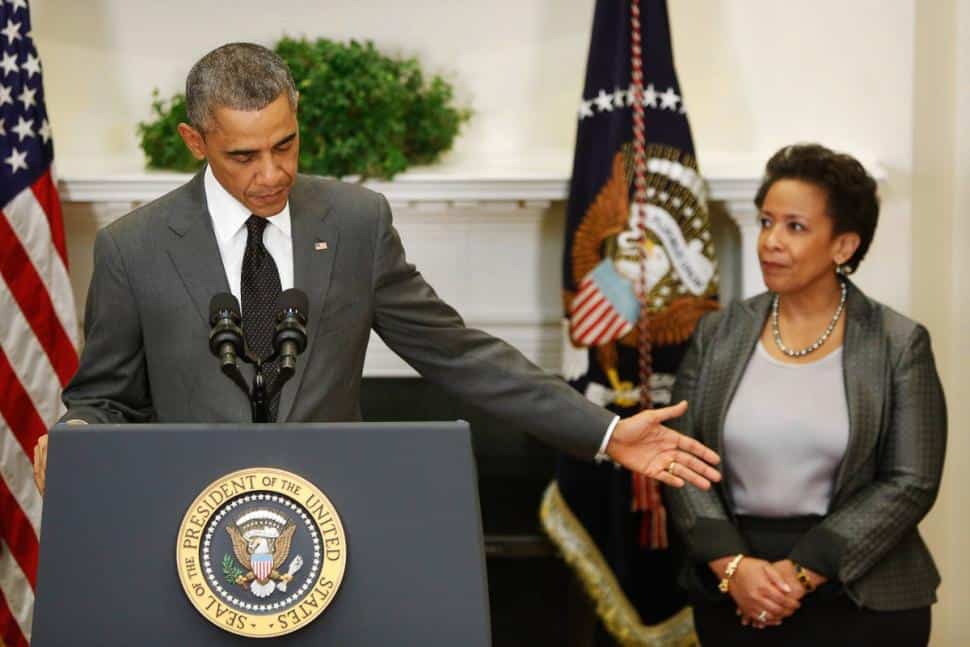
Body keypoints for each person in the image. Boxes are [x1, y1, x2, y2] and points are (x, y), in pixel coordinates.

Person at [32, 43, 721, 496]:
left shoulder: (355, 222)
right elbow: (104, 398)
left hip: (332, 515)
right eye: (244, 156)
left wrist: (603, 431)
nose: (272, 173)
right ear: (195, 140)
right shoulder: (133, 247)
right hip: (188, 520)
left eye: (285, 145)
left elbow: (457, 352)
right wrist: (78, 437)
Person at [664, 143, 946, 646]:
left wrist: (798, 575)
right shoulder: (718, 333)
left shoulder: (898, 343)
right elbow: (681, 458)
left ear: (843, 246)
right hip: (735, 590)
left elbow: (911, 482)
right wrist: (734, 568)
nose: (771, 241)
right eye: (766, 222)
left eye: (795, 227)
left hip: (864, 599)